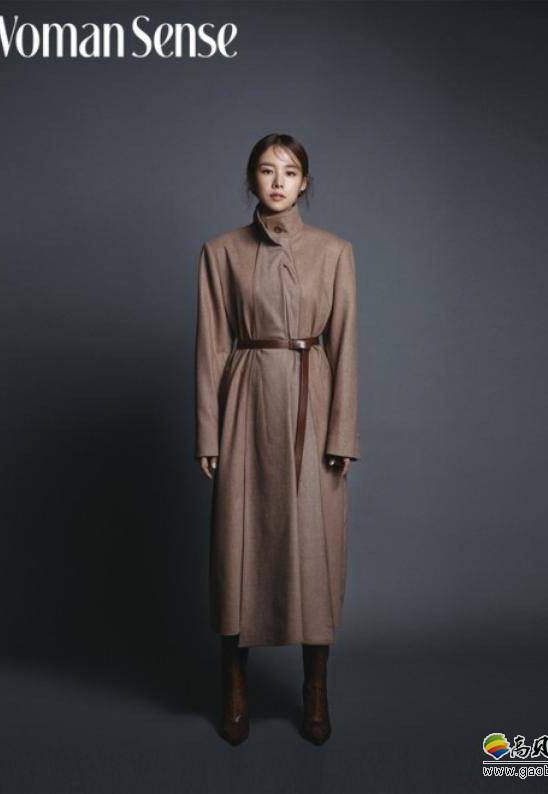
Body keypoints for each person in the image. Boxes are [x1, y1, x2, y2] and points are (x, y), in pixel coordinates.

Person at [194, 133, 360, 745]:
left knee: (317, 548)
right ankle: (234, 686)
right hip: (245, 404)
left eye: (290, 172)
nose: (278, 182)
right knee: (237, 545)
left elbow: (345, 346)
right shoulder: (221, 252)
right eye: (267, 171)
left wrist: (342, 431)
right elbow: (211, 346)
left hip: (313, 409)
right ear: (252, 180)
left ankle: (315, 687)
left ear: (305, 182)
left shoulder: (335, 252)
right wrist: (208, 433)